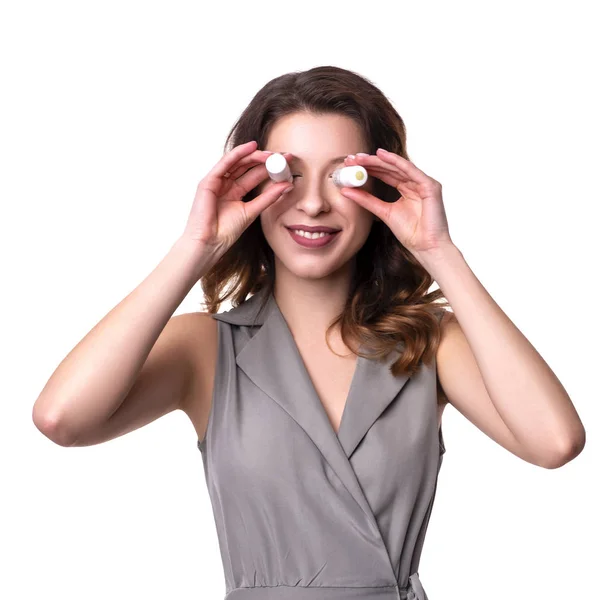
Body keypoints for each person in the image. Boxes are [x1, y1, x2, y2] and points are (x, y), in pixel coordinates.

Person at [32, 66, 586, 600]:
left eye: (343, 174)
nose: (314, 202)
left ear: (381, 188)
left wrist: (439, 253)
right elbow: (62, 419)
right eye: (287, 175)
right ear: (249, 184)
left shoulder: (430, 343)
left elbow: (554, 442)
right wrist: (195, 248)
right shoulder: (205, 349)